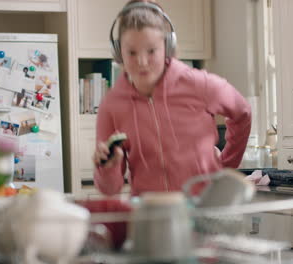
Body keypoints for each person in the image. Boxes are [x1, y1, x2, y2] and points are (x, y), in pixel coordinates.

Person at [93, 0, 251, 196]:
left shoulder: (199, 84)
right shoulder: (112, 105)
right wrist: (107, 167)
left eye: (151, 50)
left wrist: (225, 166)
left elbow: (242, 113)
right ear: (118, 52)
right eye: (132, 52)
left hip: (205, 211)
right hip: (153, 216)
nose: (142, 62)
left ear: (167, 47)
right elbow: (110, 190)